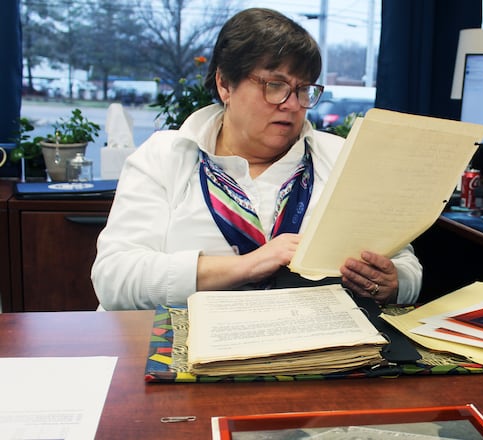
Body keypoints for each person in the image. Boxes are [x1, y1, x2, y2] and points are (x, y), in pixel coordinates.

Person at [91, 8, 422, 310]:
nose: (292, 104)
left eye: (303, 89)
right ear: (224, 84)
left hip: (314, 351)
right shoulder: (165, 156)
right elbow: (114, 278)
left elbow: (405, 268)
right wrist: (246, 266)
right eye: (275, 85)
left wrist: (393, 283)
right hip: (182, 349)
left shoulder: (341, 158)